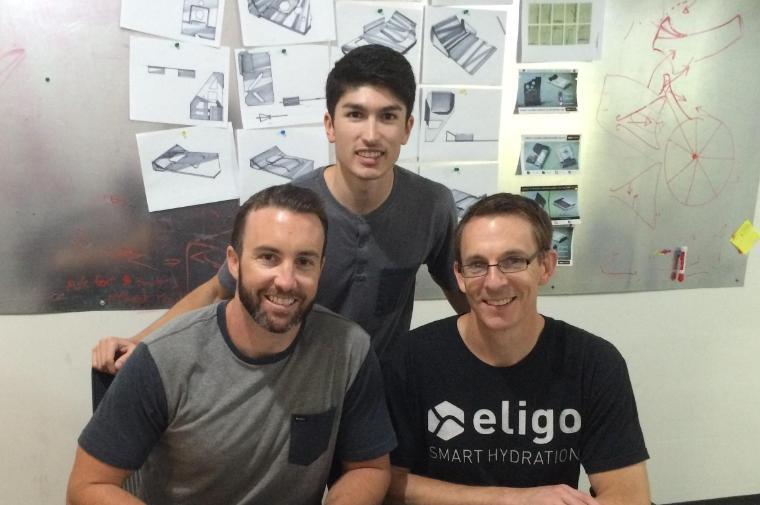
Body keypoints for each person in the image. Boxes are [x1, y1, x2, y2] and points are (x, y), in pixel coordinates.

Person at [92, 44, 467, 374]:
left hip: (380, 391)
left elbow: (465, 294)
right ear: (330, 125)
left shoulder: (431, 205)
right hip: (293, 388)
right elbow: (219, 290)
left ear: (407, 128)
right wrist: (141, 342)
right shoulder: (287, 210)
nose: (371, 135)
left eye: (387, 116)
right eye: (355, 114)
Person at [67, 185, 396, 505]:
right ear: (234, 263)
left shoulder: (348, 349)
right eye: (268, 257)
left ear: (321, 268)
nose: (286, 280)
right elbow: (87, 487)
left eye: (304, 262)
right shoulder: (163, 358)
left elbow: (368, 468)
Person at [383, 193, 651, 505]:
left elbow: (630, 495)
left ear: (546, 266)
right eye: (477, 264)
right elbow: (388, 483)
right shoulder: (410, 359)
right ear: (459, 275)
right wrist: (514, 500)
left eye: (513, 261)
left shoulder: (593, 363)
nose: (494, 282)